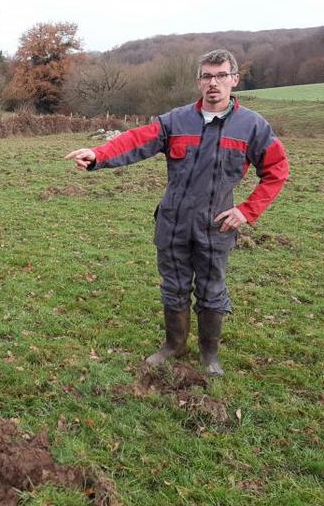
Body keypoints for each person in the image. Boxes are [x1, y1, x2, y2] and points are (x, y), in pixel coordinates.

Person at [65, 49, 289, 375]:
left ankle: (209, 355)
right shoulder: (176, 121)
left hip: (216, 224)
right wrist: (98, 154)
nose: (214, 83)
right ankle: (174, 344)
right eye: (207, 76)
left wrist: (247, 211)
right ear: (199, 81)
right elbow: (135, 140)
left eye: (221, 76)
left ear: (234, 80)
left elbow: (277, 169)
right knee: (174, 286)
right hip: (173, 221)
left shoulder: (252, 126)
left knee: (212, 289)